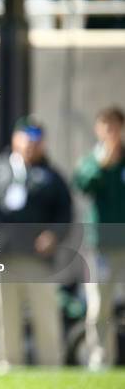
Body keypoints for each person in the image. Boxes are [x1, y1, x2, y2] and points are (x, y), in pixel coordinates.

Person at [0, 119, 72, 372]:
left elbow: (65, 214)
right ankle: (9, 366)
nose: (30, 145)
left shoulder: (53, 177)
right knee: (5, 316)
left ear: (43, 144)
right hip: (3, 256)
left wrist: (53, 235)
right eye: (26, 138)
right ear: (15, 140)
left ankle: (51, 366)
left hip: (37, 260)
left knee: (45, 315)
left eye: (36, 140)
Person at [73, 106, 125, 370]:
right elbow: (82, 183)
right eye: (106, 126)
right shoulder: (92, 160)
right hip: (101, 245)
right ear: (98, 129)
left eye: (115, 126)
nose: (111, 132)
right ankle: (101, 358)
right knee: (100, 306)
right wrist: (104, 165)